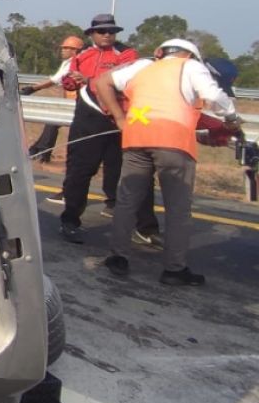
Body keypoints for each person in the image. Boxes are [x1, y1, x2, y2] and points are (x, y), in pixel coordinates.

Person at [95, 39, 241, 285]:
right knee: (177, 209)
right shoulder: (191, 66)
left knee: (127, 201)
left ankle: (117, 257)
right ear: (190, 54)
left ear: (160, 52)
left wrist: (119, 117)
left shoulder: (143, 66)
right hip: (173, 142)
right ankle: (174, 269)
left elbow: (102, 82)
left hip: (135, 137)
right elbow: (212, 95)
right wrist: (231, 118)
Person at [57, 14, 159, 244]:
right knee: (79, 171)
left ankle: (146, 228)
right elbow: (69, 82)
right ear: (91, 34)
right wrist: (71, 80)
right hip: (88, 118)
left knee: (134, 172)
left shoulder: (127, 54)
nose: (107, 35)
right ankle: (70, 221)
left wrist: (89, 79)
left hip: (120, 118)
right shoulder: (82, 56)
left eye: (111, 31)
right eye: (102, 31)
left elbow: (122, 80)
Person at [20, 35, 84, 168]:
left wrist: (33, 88)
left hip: (80, 102)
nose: (62, 50)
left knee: (54, 122)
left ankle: (41, 151)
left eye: (66, 48)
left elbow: (55, 80)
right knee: (52, 122)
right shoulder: (67, 62)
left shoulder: (75, 62)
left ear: (75, 50)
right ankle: (41, 150)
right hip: (73, 100)